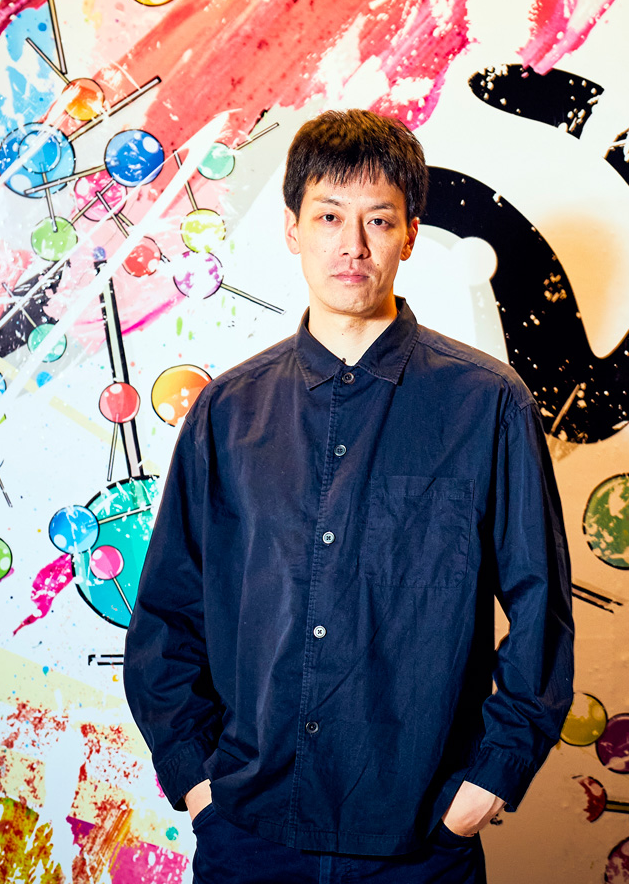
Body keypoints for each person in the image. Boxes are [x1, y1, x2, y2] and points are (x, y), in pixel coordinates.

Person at [124, 109, 573, 883]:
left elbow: (542, 609)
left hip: (420, 845)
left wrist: (487, 782)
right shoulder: (227, 414)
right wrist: (198, 784)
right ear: (292, 228)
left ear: (410, 234)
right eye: (329, 216)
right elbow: (168, 613)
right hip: (250, 835)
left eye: (379, 220)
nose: (353, 244)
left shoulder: (488, 406)